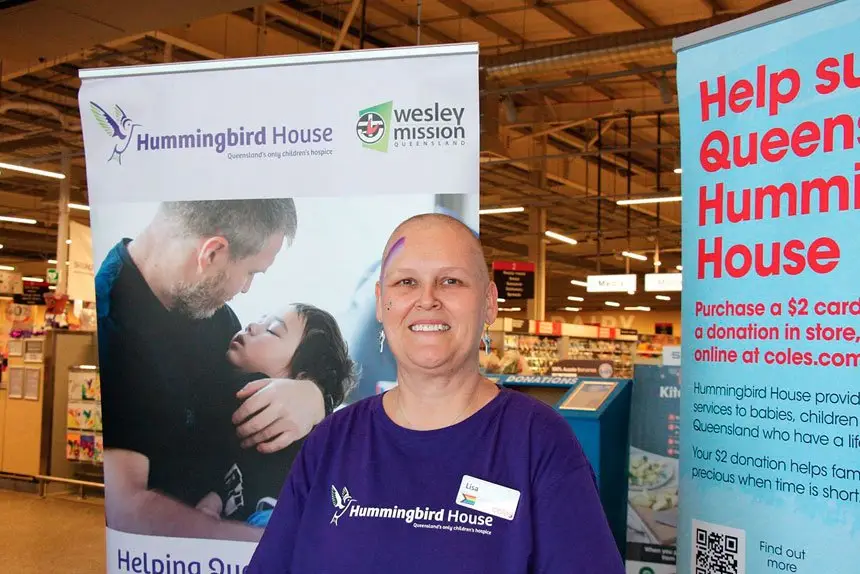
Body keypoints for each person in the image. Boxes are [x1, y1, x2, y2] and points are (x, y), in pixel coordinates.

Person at [247, 213, 625, 572]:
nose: (427, 299)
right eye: (406, 283)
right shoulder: (331, 441)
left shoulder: (537, 443)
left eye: (451, 281)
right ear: (381, 302)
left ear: (489, 303)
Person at [96, 199, 330, 541]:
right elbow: (124, 509)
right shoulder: (110, 329)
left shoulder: (212, 315)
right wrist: (270, 545)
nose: (246, 289)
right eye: (250, 272)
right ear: (212, 254)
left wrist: (314, 393)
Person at [196, 303, 358, 527]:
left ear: (300, 378)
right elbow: (228, 468)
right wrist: (213, 501)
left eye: (271, 330)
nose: (252, 326)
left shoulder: (253, 390)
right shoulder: (232, 401)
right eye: (260, 320)